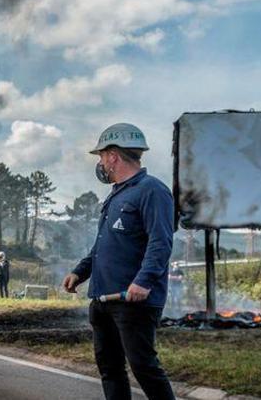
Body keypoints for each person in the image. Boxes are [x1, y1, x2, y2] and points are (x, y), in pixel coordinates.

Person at [62, 123, 176, 400]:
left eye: (101, 156)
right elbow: (104, 245)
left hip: (133, 301)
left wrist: (143, 281)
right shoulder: (117, 195)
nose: (100, 163)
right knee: (110, 368)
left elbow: (161, 242)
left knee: (144, 367)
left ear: (113, 155)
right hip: (103, 300)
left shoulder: (152, 191)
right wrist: (80, 271)